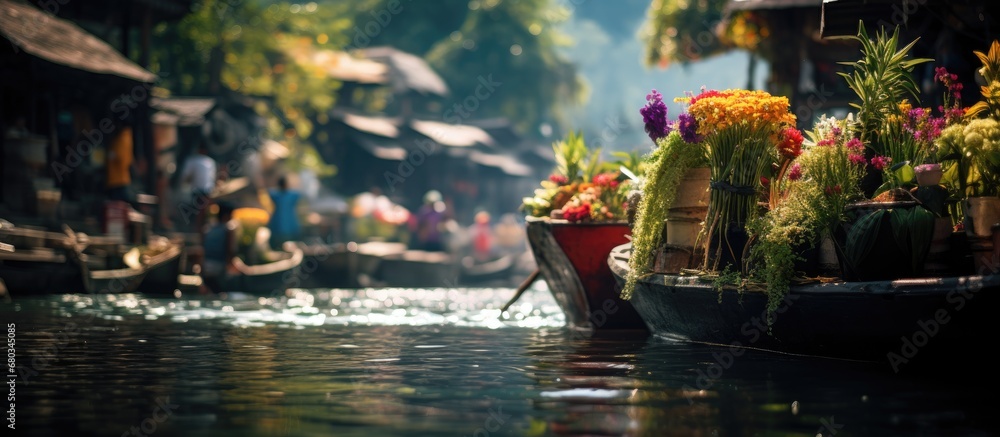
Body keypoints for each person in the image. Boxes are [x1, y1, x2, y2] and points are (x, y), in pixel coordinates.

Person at [201, 201, 240, 294]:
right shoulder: (228, 229)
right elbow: (230, 249)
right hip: (218, 268)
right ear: (226, 215)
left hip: (205, 267)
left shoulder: (208, 228)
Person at [180, 144, 217, 231]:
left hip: (197, 190)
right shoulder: (211, 162)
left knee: (197, 211)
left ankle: (196, 230)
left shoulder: (192, 160)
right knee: (204, 211)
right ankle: (200, 230)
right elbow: (213, 177)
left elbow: (185, 177)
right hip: (208, 190)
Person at [267, 175, 301, 249]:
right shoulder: (293, 195)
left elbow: (268, 190)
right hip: (290, 222)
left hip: (277, 221)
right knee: (290, 242)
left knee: (278, 243)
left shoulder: (275, 195)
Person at [105, 121, 133, 203]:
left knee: (117, 204)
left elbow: (120, 157)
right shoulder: (126, 136)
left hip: (118, 178)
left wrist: (110, 155)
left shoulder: (123, 137)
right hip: (121, 177)